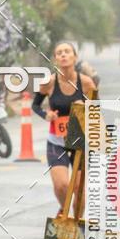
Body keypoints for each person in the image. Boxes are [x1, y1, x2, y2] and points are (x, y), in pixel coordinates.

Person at [32, 42, 95, 213]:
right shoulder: (50, 82)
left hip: (79, 142)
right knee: (62, 186)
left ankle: (75, 226)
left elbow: (98, 114)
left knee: (79, 193)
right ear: (55, 59)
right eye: (59, 53)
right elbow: (35, 105)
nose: (63, 55)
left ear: (75, 57)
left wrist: (84, 107)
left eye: (67, 52)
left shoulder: (87, 83)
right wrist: (47, 115)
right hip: (56, 141)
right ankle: (63, 208)